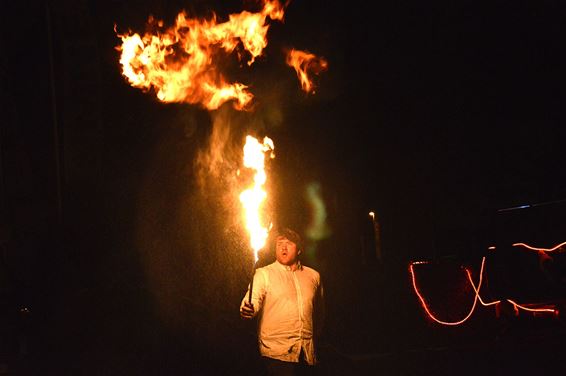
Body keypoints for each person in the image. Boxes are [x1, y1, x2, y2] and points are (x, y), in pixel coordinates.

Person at [240, 228, 324, 375]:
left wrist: (316, 337)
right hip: (276, 353)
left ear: (299, 250)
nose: (283, 247)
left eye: (289, 243)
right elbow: (252, 300)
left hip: (307, 353)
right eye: (279, 244)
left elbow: (319, 312)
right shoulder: (263, 274)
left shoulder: (313, 276)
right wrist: (247, 309)